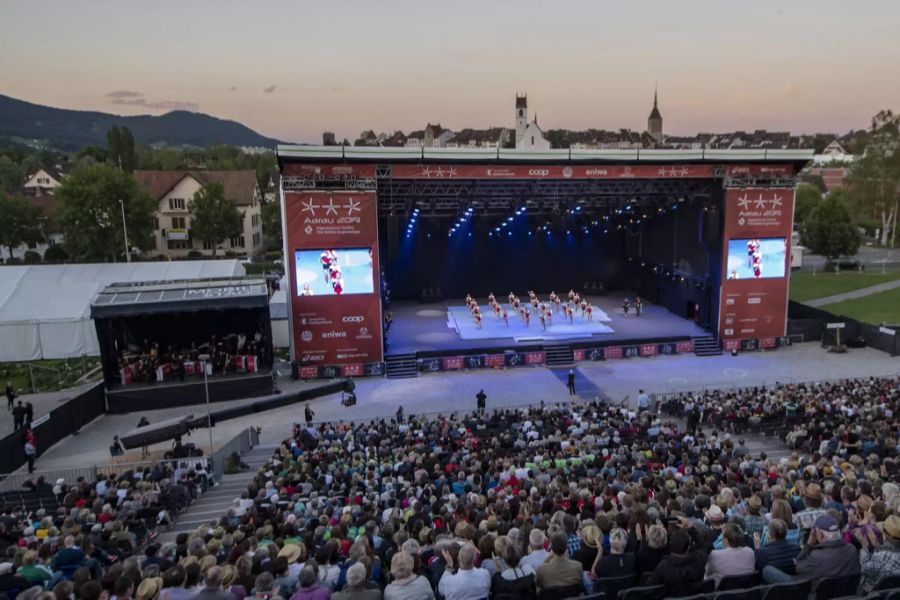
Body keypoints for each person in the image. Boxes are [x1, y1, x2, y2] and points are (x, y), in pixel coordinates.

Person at [762, 515, 860, 587]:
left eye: (815, 531)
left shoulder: (816, 556)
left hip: (807, 590)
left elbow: (798, 568)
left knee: (767, 570)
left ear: (820, 535)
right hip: (845, 593)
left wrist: (808, 544)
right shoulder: (852, 550)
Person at [649, 528, 708, 593]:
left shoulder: (663, 566)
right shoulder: (699, 559)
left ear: (670, 544)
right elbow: (703, 545)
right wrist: (690, 528)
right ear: (689, 547)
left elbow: (650, 586)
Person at [858, 514, 900, 594]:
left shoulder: (880, 556)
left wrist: (865, 549)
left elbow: (865, 570)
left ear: (885, 535)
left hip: (875, 594)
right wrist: (878, 547)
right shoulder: (881, 554)